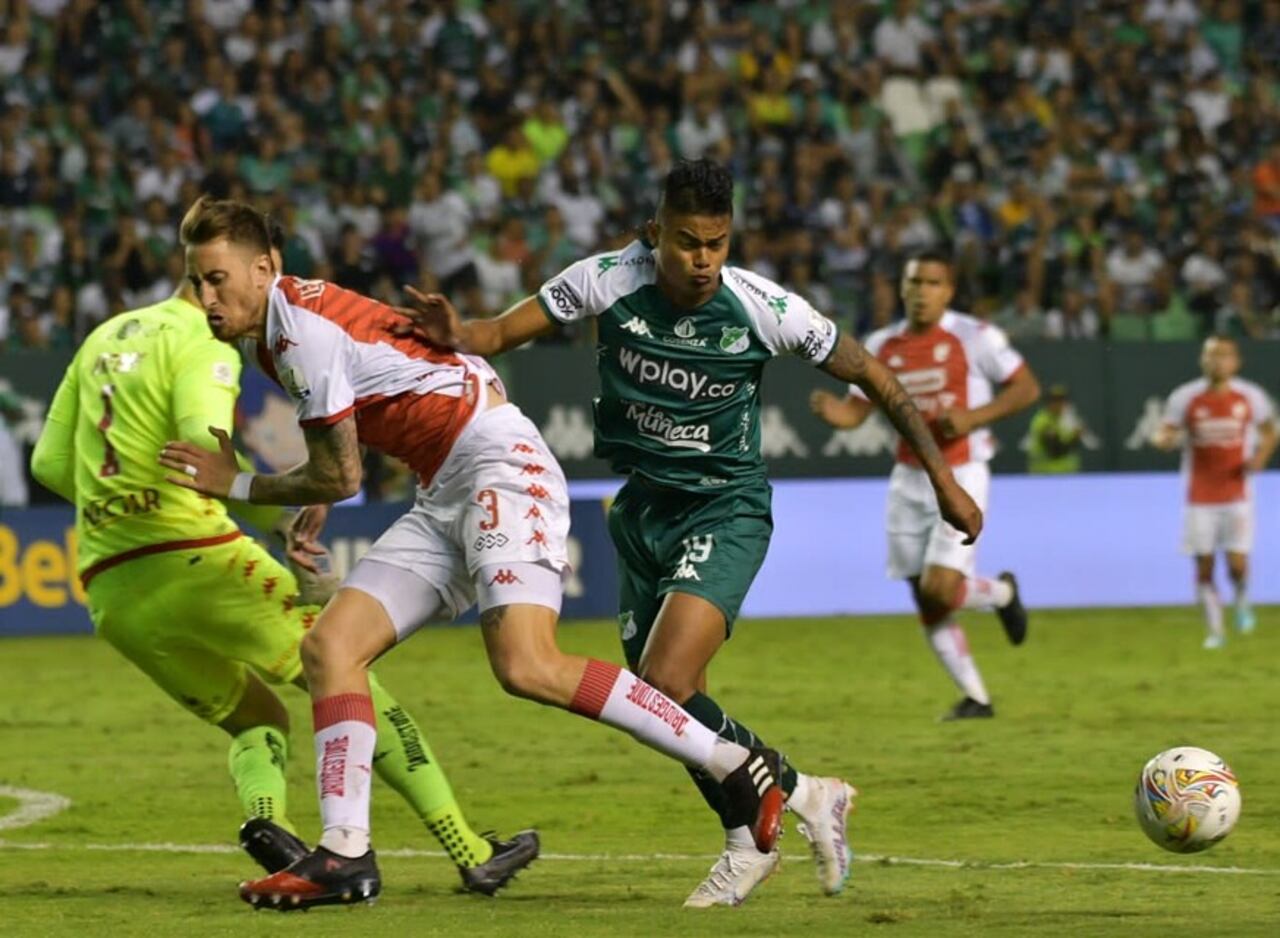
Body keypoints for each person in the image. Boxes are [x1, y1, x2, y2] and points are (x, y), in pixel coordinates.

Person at [161, 196, 787, 911]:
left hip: (496, 462)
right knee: (331, 647)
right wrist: (320, 492)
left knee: (527, 664)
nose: (206, 298)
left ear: (265, 267)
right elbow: (372, 402)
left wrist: (235, 481)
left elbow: (342, 470)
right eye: (195, 281)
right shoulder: (277, 327)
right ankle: (343, 854)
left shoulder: (294, 330)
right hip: (445, 482)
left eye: (216, 279)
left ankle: (733, 763)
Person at [392, 159, 982, 907]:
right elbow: (502, 331)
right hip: (642, 512)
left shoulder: (761, 305)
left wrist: (944, 479)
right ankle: (765, 825)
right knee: (660, 707)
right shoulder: (608, 278)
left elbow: (872, 374)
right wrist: (460, 332)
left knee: (665, 684)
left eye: (717, 242)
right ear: (653, 234)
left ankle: (793, 797)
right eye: (686, 243)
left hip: (724, 508)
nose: (703, 260)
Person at [28, 240, 540, 899]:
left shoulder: (100, 336)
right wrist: (262, 505)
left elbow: (47, 464)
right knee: (344, 669)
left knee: (257, 718)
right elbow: (202, 438)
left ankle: (268, 822)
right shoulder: (202, 341)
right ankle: (469, 850)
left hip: (113, 588)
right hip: (196, 558)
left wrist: (127, 506)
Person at [810, 250, 1038, 721]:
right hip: (907, 477)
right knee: (924, 596)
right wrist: (837, 415)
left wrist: (975, 417)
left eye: (933, 283)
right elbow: (857, 409)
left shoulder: (976, 336)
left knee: (939, 587)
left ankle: (1001, 595)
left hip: (963, 470)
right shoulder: (882, 343)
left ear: (948, 291)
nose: (921, 292)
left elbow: (1026, 389)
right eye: (914, 282)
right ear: (902, 288)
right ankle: (977, 697)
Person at [1150, 335, 1278, 648]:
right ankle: (1215, 631)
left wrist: (1259, 458)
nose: (1217, 361)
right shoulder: (1185, 397)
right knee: (1204, 565)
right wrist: (1163, 440)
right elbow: (1165, 431)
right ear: (1202, 360)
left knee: (1236, 563)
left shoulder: (1250, 396)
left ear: (1236, 362)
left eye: (1223, 355)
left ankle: (1242, 597)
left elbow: (1270, 432)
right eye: (1211, 355)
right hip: (1199, 496)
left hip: (1237, 494)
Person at [1027, 384, 1085, 474]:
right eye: (1055, 400)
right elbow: (1054, 451)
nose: (1059, 404)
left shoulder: (1069, 419)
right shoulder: (1042, 420)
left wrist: (1076, 436)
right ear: (1048, 402)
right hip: (1045, 476)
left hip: (1069, 475)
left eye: (1062, 400)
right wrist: (1075, 438)